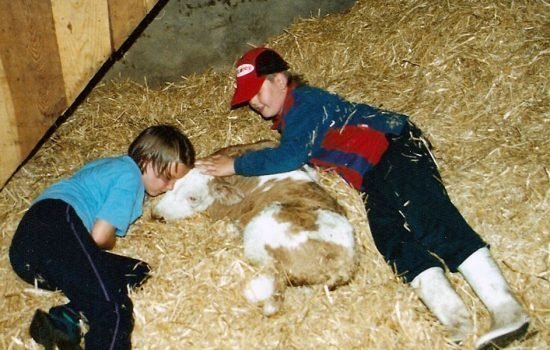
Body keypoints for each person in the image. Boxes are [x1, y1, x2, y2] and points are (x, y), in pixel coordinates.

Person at [195, 47, 530, 349]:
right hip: (370, 176)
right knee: (390, 238)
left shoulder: (305, 102)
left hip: (394, 148)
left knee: (427, 217)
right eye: (248, 98)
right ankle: (452, 316)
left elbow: (290, 156)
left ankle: (505, 306)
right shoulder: (290, 121)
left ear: (281, 79)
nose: (254, 102)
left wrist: (235, 164)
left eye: (258, 91)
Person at [9, 124, 195, 350]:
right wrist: (111, 240)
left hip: (30, 255)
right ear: (146, 161)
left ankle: (65, 320)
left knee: (136, 270)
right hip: (55, 223)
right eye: (166, 177)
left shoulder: (110, 166)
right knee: (114, 310)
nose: (169, 187)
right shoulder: (130, 177)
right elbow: (99, 237)